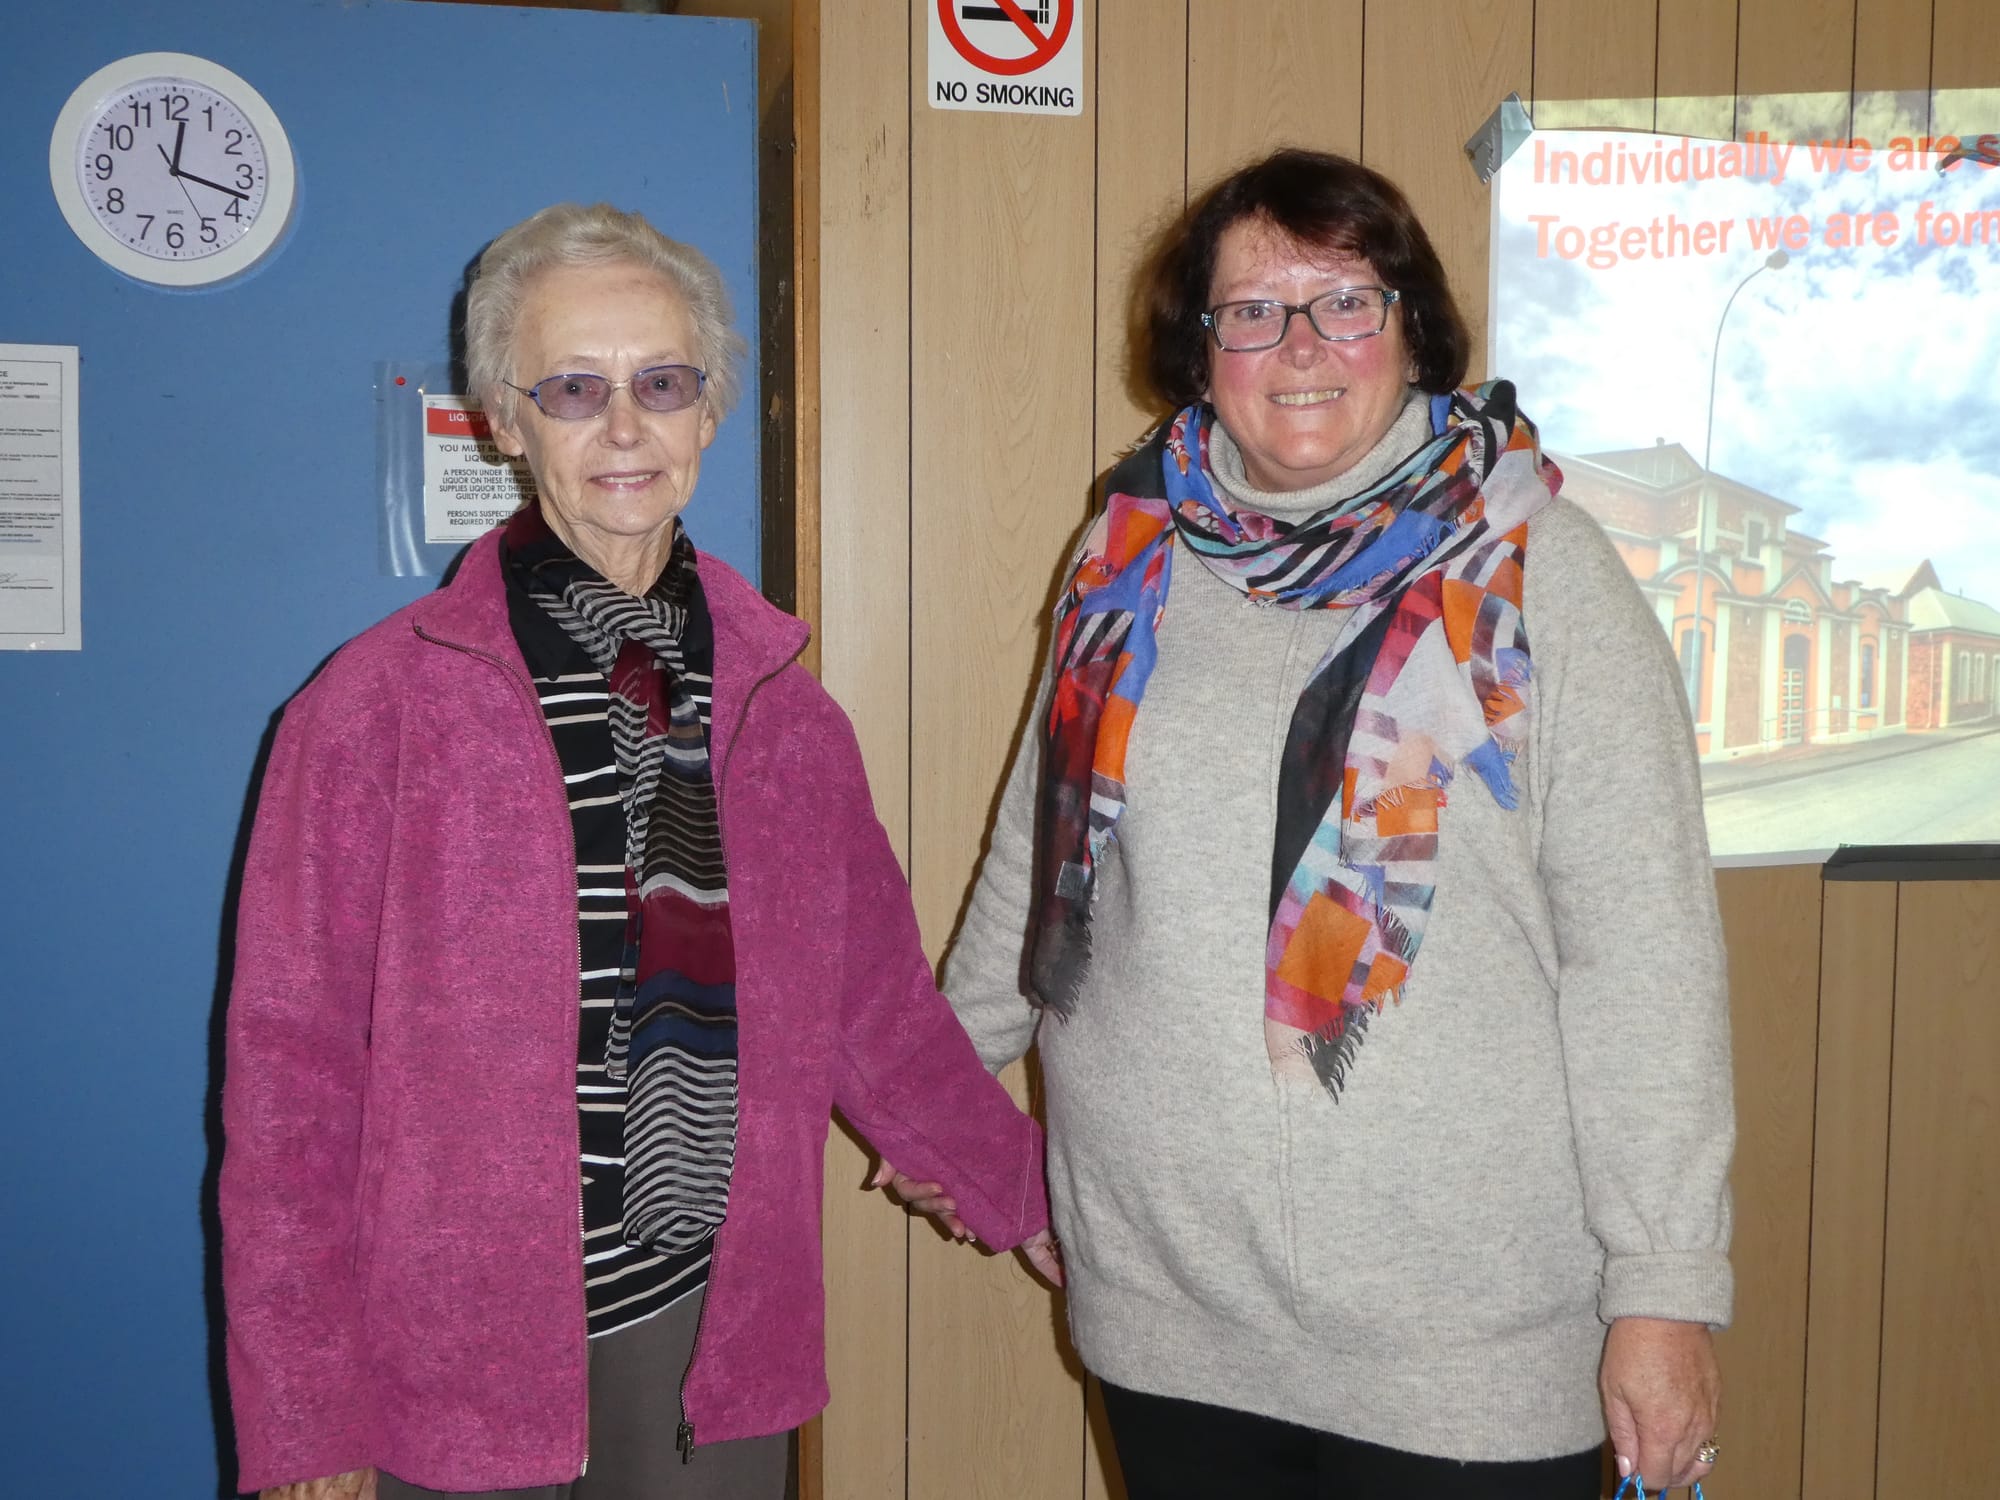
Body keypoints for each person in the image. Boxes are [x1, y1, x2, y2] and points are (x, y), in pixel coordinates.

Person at [894, 148, 1734, 1499]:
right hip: (1169, 1302)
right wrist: (934, 1106)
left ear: (1412, 330)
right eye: (1252, 310)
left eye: (1345, 300)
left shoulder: (1541, 573)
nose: (1300, 345)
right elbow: (1038, 867)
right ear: (1201, 345)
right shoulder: (1126, 558)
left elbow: (1647, 963)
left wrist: (1666, 1283)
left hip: (1467, 1332)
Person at [220, 202, 1056, 1500]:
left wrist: (1047, 1204)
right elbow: (291, 1083)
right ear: (504, 418)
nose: (624, 426)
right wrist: (305, 1410)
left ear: (711, 407)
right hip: (456, 1347)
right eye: (574, 388)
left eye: (662, 383)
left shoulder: (786, 711)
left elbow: (874, 1007)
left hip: (714, 1329)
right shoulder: (372, 708)